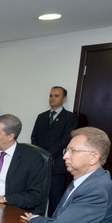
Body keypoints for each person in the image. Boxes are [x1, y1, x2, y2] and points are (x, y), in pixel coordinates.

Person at [20, 127, 112, 223]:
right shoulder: (84, 180)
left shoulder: (96, 189)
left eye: (73, 151)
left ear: (93, 158)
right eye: (66, 150)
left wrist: (33, 219)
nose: (65, 156)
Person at [0, 114, 46, 213]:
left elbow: (34, 197)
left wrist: (1, 199)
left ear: (10, 136)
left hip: (11, 210)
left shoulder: (31, 159)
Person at [31, 86, 79, 215]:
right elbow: (34, 137)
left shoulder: (70, 118)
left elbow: (66, 140)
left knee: (55, 200)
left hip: (57, 165)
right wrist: (39, 155)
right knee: (36, 197)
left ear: (64, 99)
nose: (52, 98)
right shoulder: (41, 116)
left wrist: (46, 155)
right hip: (39, 165)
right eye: (51, 95)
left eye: (56, 96)